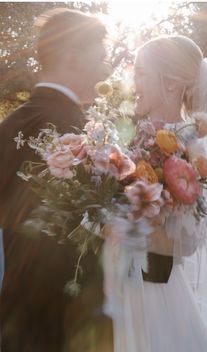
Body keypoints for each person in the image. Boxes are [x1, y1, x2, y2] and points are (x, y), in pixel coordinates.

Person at [103, 35, 207, 351]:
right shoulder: (129, 135)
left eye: (142, 74)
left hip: (153, 297)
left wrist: (120, 228)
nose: (134, 82)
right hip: (119, 290)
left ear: (172, 85)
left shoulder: (189, 148)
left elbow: (186, 243)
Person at [0, 8, 113, 352]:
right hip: (68, 321)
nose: (106, 69)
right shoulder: (80, 132)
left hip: (16, 316)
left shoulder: (10, 125)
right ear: (74, 58)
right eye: (101, 58)